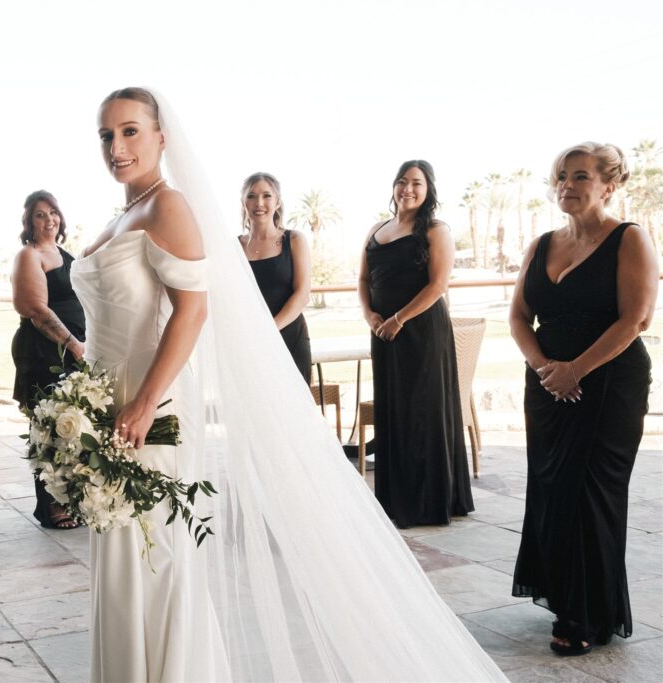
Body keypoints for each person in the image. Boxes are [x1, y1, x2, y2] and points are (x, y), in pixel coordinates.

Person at [72, 87, 505, 681]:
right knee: (120, 547)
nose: (116, 146)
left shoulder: (167, 207)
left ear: (161, 137)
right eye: (106, 134)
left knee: (152, 552)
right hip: (106, 398)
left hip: (151, 402)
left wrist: (145, 402)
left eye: (130, 131)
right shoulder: (121, 215)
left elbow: (192, 311)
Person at [509, 142, 657, 656]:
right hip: (547, 385)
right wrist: (544, 368)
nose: (567, 186)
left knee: (591, 495)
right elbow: (518, 317)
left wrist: (576, 369)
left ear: (609, 185)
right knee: (553, 492)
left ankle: (586, 614)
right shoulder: (541, 244)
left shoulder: (629, 238)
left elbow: (636, 319)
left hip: (609, 385)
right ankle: (566, 597)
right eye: (562, 177)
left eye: (580, 176)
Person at [357, 160, 475, 528]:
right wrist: (371, 316)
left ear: (428, 190)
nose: (407, 189)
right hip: (383, 333)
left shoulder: (437, 230)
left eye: (416, 183)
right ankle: (396, 499)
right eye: (402, 181)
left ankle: (429, 502)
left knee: (423, 410)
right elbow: (363, 280)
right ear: (394, 186)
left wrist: (399, 319)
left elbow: (438, 286)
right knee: (393, 410)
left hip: (421, 331)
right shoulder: (377, 230)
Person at [10, 190, 86, 529]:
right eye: (40, 214)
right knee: (49, 425)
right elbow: (36, 310)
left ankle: (75, 498)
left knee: (74, 424)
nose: (49, 219)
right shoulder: (29, 255)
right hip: (45, 350)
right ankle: (51, 506)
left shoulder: (65, 254)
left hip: (74, 347)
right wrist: (73, 345)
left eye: (53, 212)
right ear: (29, 222)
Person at [239, 172, 312, 383]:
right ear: (243, 202)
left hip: (290, 337)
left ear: (278, 202)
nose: (259, 203)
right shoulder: (233, 247)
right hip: (250, 342)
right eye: (251, 196)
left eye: (267, 195)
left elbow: (302, 294)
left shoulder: (294, 240)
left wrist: (269, 330)